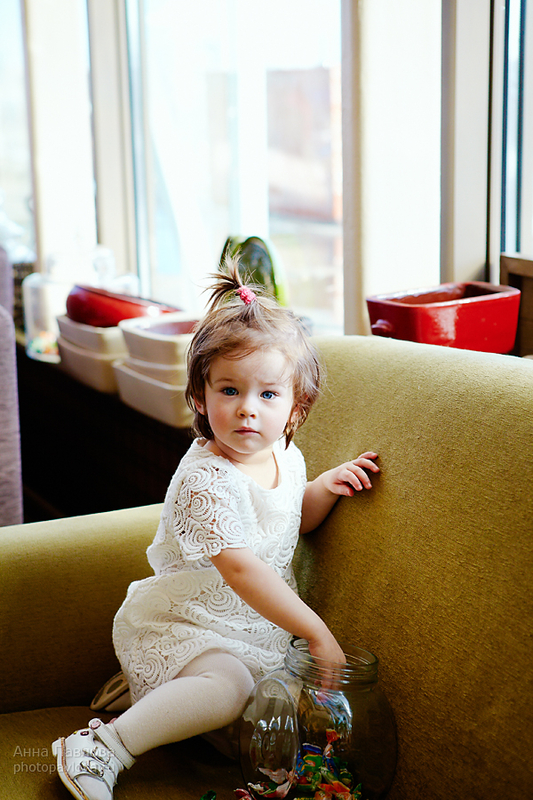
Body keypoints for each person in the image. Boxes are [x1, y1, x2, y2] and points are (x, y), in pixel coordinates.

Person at [52, 258, 379, 800]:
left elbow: (288, 522)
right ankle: (102, 747)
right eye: (229, 391)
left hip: (254, 635)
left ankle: (151, 696)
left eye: (267, 395)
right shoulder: (205, 478)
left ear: (295, 410)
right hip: (189, 623)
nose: (248, 410)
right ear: (200, 398)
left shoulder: (287, 457)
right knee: (228, 688)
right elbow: (243, 568)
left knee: (260, 733)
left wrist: (324, 487)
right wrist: (318, 633)